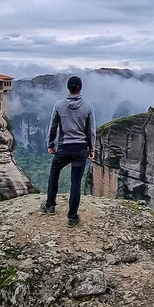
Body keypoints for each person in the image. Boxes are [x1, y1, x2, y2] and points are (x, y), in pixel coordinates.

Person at [41, 75, 96, 226]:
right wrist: (91, 149)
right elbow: (91, 131)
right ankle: (72, 217)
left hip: (64, 148)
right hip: (80, 150)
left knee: (54, 173)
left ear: (68, 88)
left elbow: (53, 127)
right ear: (80, 88)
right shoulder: (88, 107)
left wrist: (51, 145)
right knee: (76, 182)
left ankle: (50, 205)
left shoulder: (59, 105)